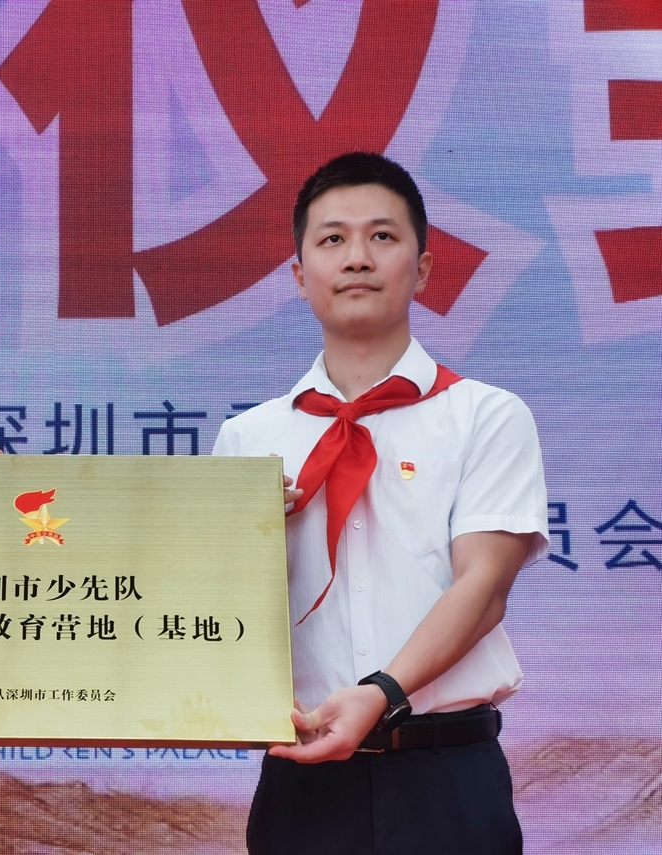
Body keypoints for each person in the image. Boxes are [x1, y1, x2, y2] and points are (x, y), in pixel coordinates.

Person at [212, 152, 548, 854]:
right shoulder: (248, 439)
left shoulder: (486, 415)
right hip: (303, 779)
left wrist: (381, 693)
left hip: (446, 773)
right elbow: (214, 610)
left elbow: (484, 588)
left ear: (421, 269)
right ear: (299, 275)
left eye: (382, 236)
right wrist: (239, 542)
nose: (357, 257)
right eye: (333, 238)